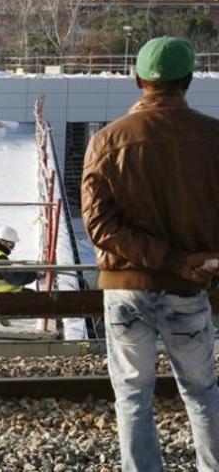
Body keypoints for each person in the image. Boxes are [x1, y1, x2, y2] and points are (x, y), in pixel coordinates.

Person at [81, 36, 219, 472]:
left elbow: (100, 227)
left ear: (138, 79)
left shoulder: (107, 141)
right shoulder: (213, 138)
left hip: (126, 289)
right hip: (188, 287)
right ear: (189, 80)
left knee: (132, 396)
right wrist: (188, 261)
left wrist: (162, 259)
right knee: (202, 392)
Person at [0, 226, 39, 293]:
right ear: (3, 242)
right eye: (12, 245)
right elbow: (15, 278)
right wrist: (35, 274)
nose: (13, 248)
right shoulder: (0, 257)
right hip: (0, 295)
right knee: (33, 296)